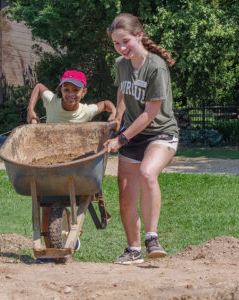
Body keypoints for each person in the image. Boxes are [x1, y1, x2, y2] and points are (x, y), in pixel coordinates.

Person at [104, 13, 179, 264]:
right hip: (131, 134)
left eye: (125, 41)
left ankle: (152, 238)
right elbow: (122, 90)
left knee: (147, 173)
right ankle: (133, 250)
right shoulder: (121, 64)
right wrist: (117, 116)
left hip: (160, 133)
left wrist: (121, 138)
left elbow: (150, 113)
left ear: (139, 36)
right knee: (125, 199)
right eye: (116, 43)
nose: (122, 48)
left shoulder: (155, 66)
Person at [27, 69, 116, 251]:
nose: (71, 94)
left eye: (76, 90)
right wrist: (30, 109)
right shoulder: (52, 102)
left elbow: (106, 103)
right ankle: (49, 247)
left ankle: (68, 236)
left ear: (84, 92)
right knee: (46, 207)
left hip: (76, 166)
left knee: (70, 200)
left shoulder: (85, 110)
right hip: (50, 163)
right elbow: (38, 86)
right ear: (60, 90)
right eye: (66, 89)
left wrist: (114, 112)